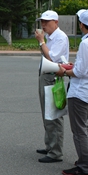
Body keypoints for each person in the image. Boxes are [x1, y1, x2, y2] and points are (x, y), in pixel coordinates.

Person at [55, 9, 88, 175]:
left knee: (79, 130)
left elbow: (79, 72)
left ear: (82, 25)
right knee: (83, 127)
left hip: (80, 91)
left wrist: (63, 71)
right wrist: (74, 67)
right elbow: (87, 67)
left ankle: (84, 166)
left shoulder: (86, 43)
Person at [34, 10, 69, 163]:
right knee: (46, 113)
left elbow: (52, 57)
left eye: (47, 22)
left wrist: (41, 42)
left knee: (54, 115)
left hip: (53, 76)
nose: (43, 25)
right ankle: (50, 145)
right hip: (46, 75)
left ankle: (56, 152)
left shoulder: (60, 37)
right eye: (42, 21)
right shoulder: (50, 36)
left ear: (56, 22)